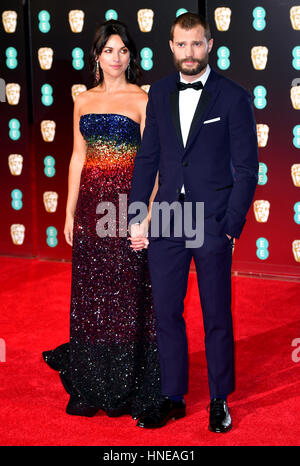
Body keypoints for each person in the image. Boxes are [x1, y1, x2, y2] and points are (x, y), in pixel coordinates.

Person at [128, 12, 258, 432]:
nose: (189, 52)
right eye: (182, 45)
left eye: (196, 44)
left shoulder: (233, 96)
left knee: (216, 311)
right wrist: (136, 216)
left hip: (211, 220)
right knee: (167, 312)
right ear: (171, 47)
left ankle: (220, 397)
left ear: (210, 44)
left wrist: (230, 225)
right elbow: (148, 158)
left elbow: (248, 167)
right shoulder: (160, 92)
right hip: (167, 218)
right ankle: (172, 396)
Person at [42, 20, 161, 419]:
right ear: (96, 55)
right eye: (109, 50)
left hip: (127, 207)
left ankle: (128, 380)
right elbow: (78, 157)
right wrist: (68, 209)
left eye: (123, 50)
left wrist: (145, 213)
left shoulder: (143, 99)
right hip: (91, 210)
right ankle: (92, 380)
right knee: (92, 295)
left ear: (131, 56)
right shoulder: (82, 100)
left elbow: (154, 163)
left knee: (128, 293)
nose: (116, 57)